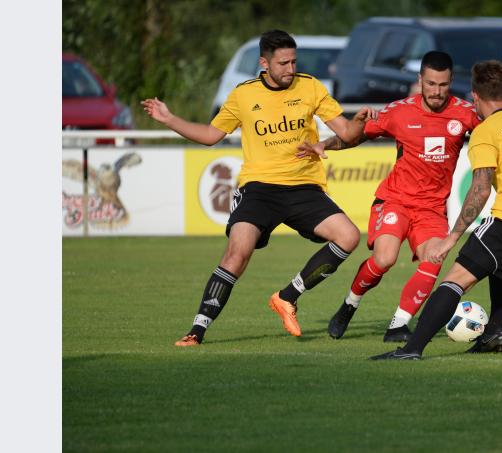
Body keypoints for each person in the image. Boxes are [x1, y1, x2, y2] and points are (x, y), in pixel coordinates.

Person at [141, 29, 376, 346]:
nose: (290, 70)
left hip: (303, 186)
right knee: (237, 255)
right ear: (264, 63)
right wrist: (170, 119)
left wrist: (359, 120)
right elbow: (211, 135)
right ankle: (197, 331)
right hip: (259, 189)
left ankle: (288, 296)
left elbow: (347, 133)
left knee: (349, 236)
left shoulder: (310, 87)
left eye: (293, 61)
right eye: (283, 63)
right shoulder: (243, 94)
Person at [371, 60, 502, 360]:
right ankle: (494, 333)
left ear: (474, 96)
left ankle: (411, 349)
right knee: (501, 259)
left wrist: (451, 238)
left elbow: (480, 188)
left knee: (455, 279)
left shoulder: (486, 131)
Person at [297, 51, 480, 342]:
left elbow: (494, 133)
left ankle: (398, 324)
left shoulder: (465, 113)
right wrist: (325, 144)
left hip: (432, 209)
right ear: (420, 80)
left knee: (435, 257)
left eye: (443, 85)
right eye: (431, 84)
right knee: (384, 258)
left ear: (451, 82)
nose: (436, 91)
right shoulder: (399, 111)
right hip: (395, 199)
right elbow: (356, 135)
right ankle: (349, 305)